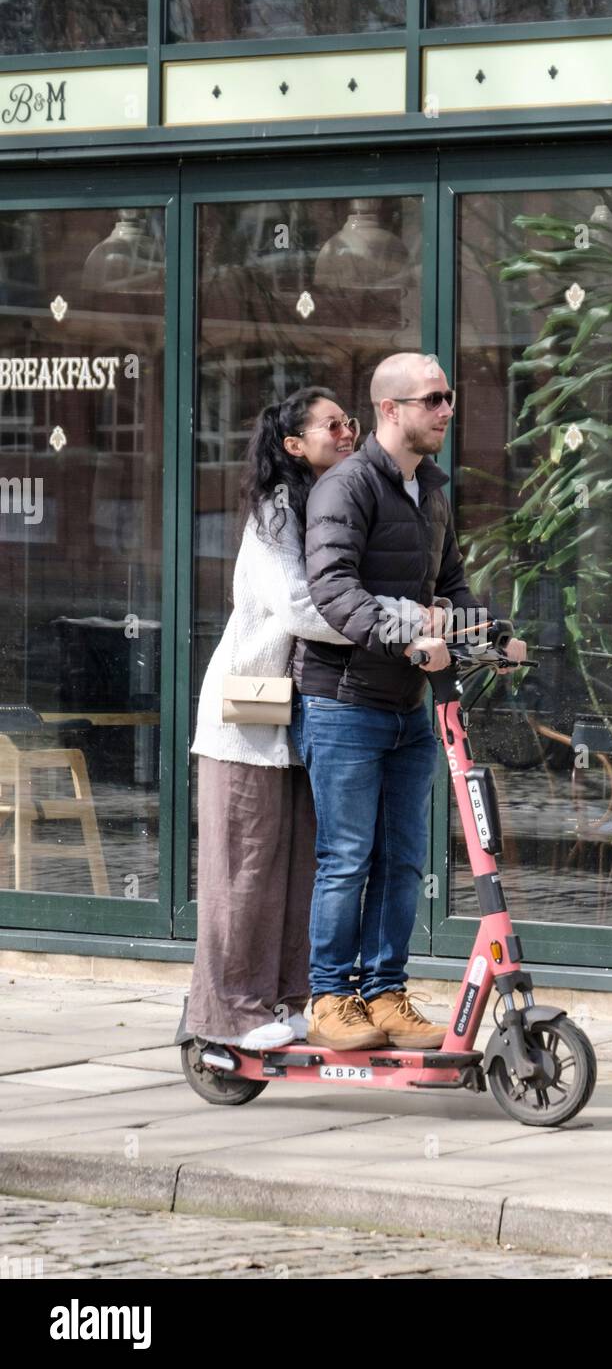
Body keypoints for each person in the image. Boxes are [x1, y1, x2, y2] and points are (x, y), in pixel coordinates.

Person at [293, 352, 526, 1052]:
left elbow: (449, 587)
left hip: (408, 709)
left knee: (402, 861)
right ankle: (332, 998)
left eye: (448, 398)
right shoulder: (345, 488)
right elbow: (333, 591)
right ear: (392, 410)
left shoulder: (430, 491)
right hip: (342, 704)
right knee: (346, 857)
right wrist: (405, 638)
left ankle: (385, 993)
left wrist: (491, 635)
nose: (447, 410)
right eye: (434, 400)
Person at [187, 388, 358, 1049]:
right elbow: (297, 608)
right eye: (333, 423)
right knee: (245, 874)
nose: (348, 431)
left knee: (292, 872)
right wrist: (382, 631)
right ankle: (229, 1015)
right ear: (294, 445)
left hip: (296, 723)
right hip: (247, 724)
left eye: (352, 421)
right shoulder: (275, 513)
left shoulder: (325, 504)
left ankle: (284, 1001)